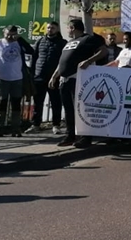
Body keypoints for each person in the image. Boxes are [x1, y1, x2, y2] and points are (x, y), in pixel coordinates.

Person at [49, 19, 108, 147]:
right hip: (65, 80)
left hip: (79, 79)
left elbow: (103, 51)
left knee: (81, 109)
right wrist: (54, 76)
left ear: (73, 28)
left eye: (68, 28)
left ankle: (85, 137)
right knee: (68, 109)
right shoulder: (69, 43)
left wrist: (88, 61)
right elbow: (62, 62)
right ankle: (70, 135)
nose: (67, 31)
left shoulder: (88, 39)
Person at [0, 26, 31, 137]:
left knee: (16, 104)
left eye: (13, 34)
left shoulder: (19, 43)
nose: (10, 37)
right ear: (4, 32)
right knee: (2, 103)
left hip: (17, 78)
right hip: (2, 79)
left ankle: (15, 128)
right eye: (8, 34)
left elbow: (31, 51)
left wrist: (20, 40)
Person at [30, 22, 67, 134]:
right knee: (37, 102)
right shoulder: (40, 41)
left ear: (57, 29)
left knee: (56, 102)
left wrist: (59, 75)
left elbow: (63, 60)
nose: (50, 30)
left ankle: (56, 125)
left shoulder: (62, 43)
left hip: (54, 77)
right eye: (48, 28)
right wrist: (32, 74)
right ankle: (36, 124)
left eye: (52, 28)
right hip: (39, 76)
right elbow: (34, 57)